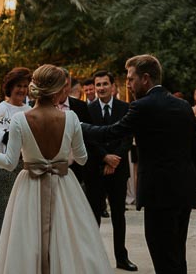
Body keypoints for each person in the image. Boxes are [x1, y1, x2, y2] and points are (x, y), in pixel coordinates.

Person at [83, 54, 196, 274]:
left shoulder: (142, 106)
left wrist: (75, 125)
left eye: (131, 78)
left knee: (163, 258)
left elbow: (110, 132)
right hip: (182, 193)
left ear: (145, 78)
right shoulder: (183, 106)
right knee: (177, 256)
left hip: (158, 195)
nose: (128, 84)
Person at [0, 65, 109, 273]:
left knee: (26, 243)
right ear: (59, 90)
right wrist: (63, 155)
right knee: (66, 242)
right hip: (64, 185)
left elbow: (9, 163)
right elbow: (83, 159)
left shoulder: (20, 119)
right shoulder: (71, 118)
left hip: (29, 185)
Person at [83, 70, 136, 271]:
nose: (102, 88)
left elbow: (127, 137)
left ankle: (121, 258)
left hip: (118, 169)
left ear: (113, 86)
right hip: (95, 169)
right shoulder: (89, 109)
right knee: (93, 215)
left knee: (118, 216)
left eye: (105, 84)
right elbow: (87, 137)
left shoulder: (125, 108)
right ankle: (93, 259)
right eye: (98, 85)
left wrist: (114, 161)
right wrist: (105, 157)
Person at [0, 67, 33, 270]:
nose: (22, 90)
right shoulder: (1, 109)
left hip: (26, 167)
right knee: (2, 217)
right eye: (18, 86)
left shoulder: (30, 110)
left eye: (25, 86)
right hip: (5, 168)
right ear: (10, 87)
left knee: (23, 220)